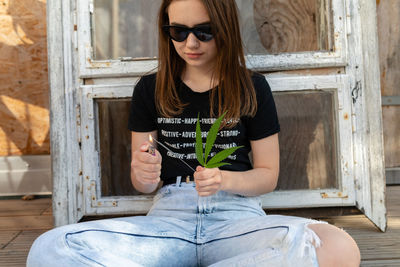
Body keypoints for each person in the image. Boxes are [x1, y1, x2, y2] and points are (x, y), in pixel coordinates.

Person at [27, 0, 360, 266]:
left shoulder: (252, 87)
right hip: (169, 221)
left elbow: (268, 176)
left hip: (238, 219)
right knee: (50, 248)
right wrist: (143, 173)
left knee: (339, 247)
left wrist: (225, 180)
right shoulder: (150, 88)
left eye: (204, 32)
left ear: (225, 29)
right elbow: (144, 182)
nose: (190, 43)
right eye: (178, 31)